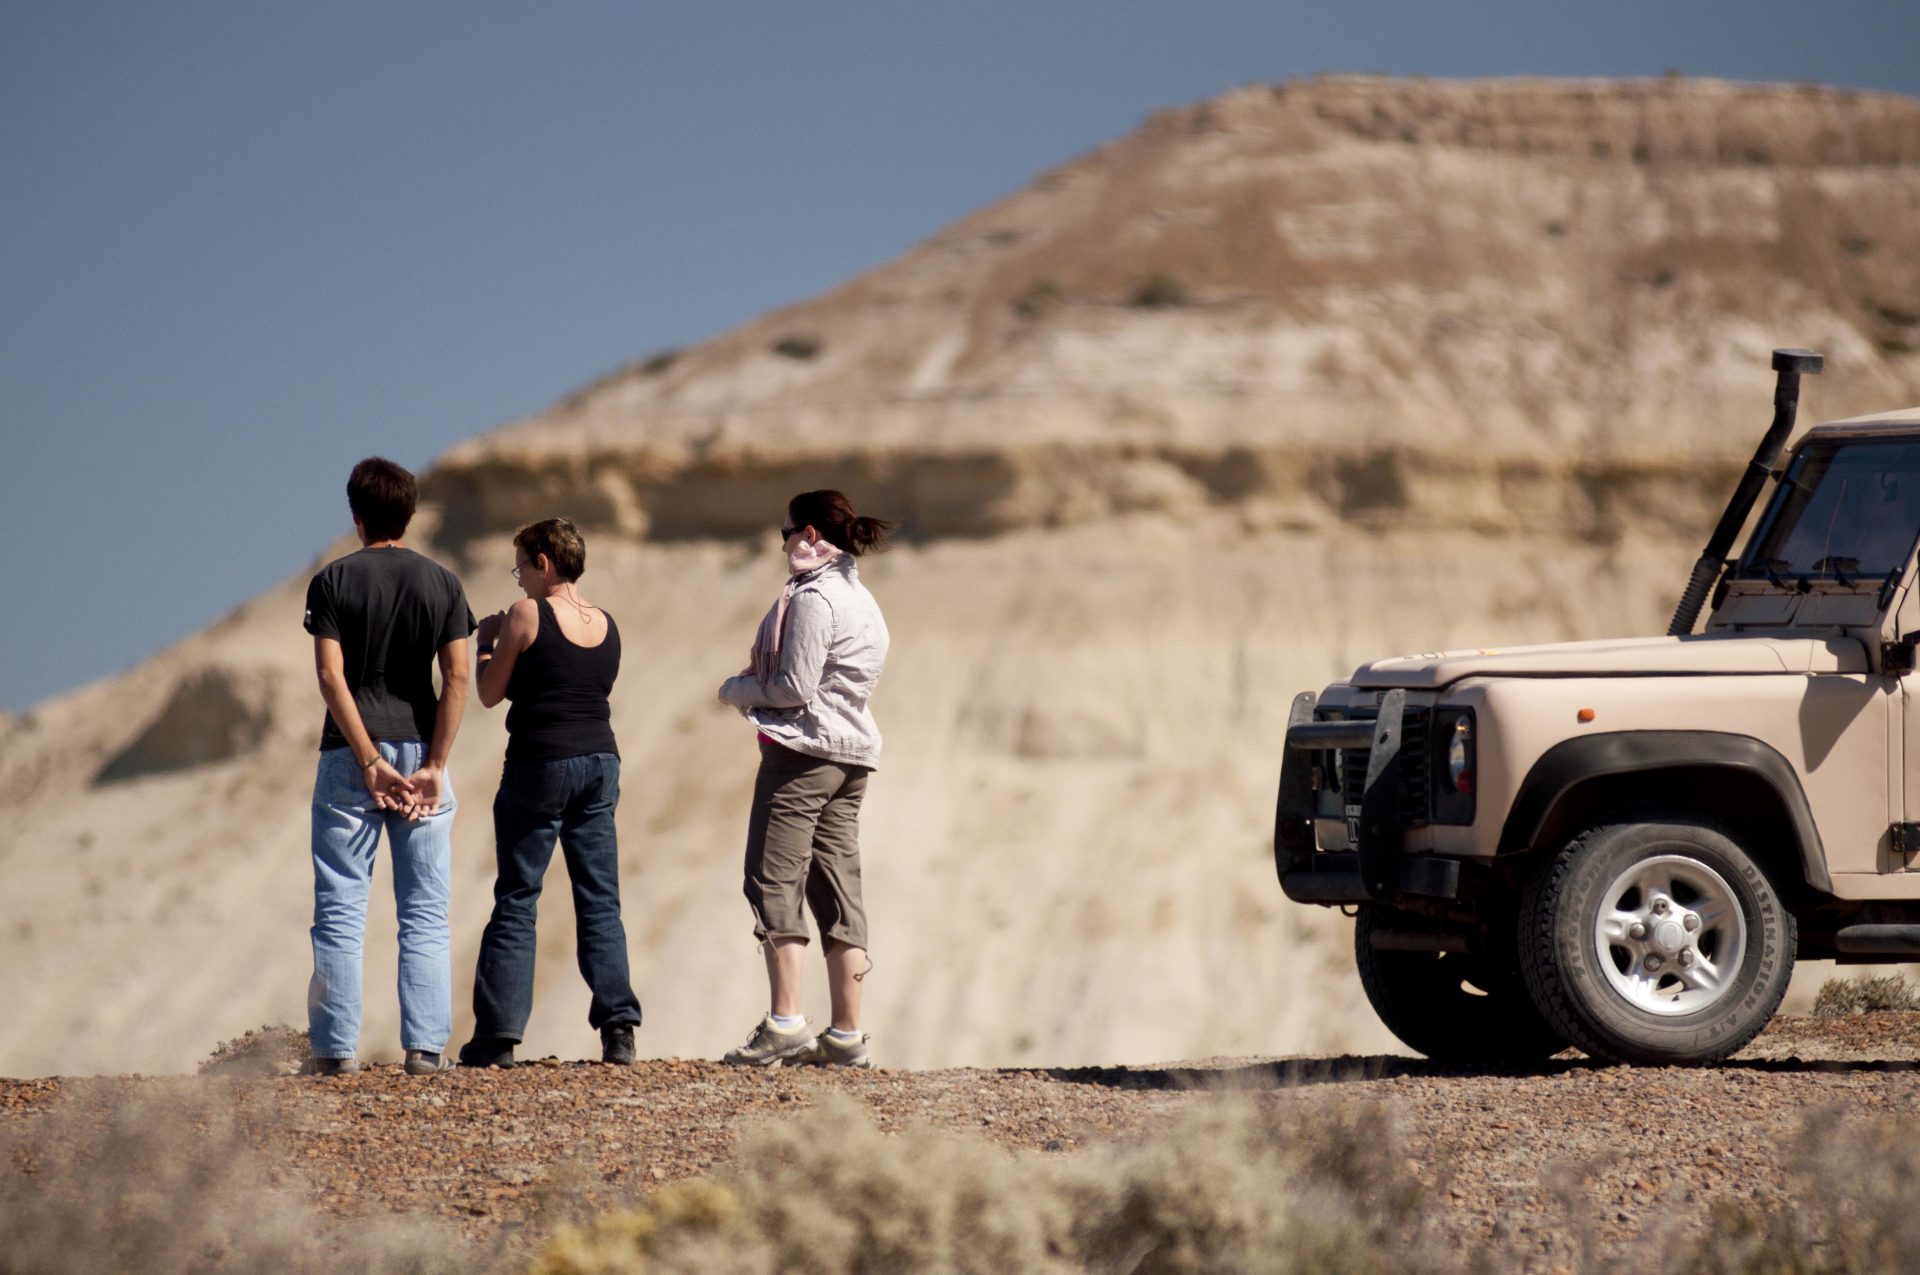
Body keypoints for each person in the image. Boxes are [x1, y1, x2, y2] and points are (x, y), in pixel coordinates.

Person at [304, 457, 474, 1076]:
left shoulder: (332, 581)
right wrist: (435, 763)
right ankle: (426, 1050)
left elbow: (330, 675)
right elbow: (456, 676)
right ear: (410, 515)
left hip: (353, 757)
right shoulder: (444, 584)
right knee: (425, 909)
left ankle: (332, 1054)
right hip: (422, 753)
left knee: (341, 905)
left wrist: (369, 758)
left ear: (356, 516)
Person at [458, 518, 643, 1068]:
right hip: (601, 761)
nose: (517, 579)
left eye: (519, 566)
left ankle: (497, 1038)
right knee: (599, 898)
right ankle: (619, 1029)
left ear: (543, 562)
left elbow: (491, 694)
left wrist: (486, 643)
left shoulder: (525, 615)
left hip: (541, 762)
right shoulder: (607, 623)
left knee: (518, 896)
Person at [716, 490, 893, 1068]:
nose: (784, 542)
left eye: (786, 531)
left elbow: (794, 688)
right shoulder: (864, 598)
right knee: (839, 886)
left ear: (811, 534)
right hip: (852, 757)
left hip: (803, 754)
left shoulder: (816, 598)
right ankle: (845, 1035)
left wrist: (737, 691)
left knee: (772, 878)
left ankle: (786, 1021)